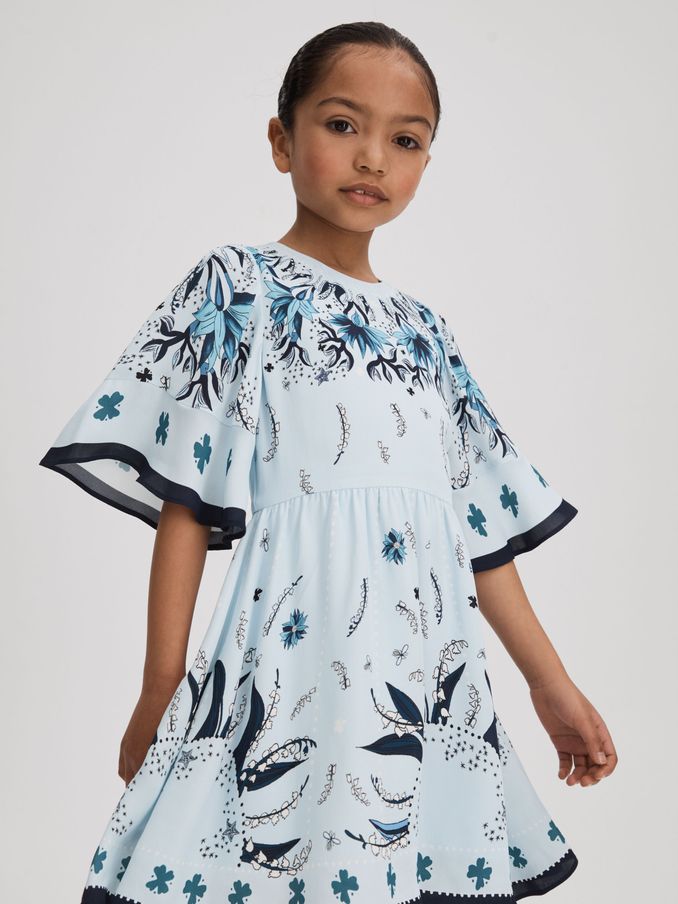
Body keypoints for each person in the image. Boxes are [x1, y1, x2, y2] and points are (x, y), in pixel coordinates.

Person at [39, 20, 617, 904]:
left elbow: (476, 535)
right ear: (282, 140)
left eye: (406, 140)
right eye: (343, 125)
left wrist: (552, 686)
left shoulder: (427, 336)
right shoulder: (238, 288)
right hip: (291, 666)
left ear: (426, 163)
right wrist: (160, 686)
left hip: (418, 683)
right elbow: (188, 500)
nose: (372, 157)